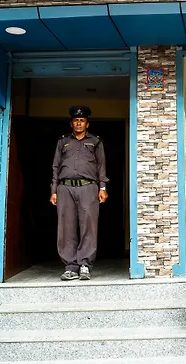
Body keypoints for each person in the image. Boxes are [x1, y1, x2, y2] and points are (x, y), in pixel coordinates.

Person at [50, 105, 109, 281]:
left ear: (87, 124)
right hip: (65, 188)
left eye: (82, 121)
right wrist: (54, 190)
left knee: (88, 227)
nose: (78, 123)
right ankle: (70, 267)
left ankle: (85, 264)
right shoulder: (63, 142)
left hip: (88, 187)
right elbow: (55, 167)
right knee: (66, 228)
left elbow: (101, 166)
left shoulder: (96, 142)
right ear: (71, 123)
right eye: (76, 120)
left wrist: (103, 188)